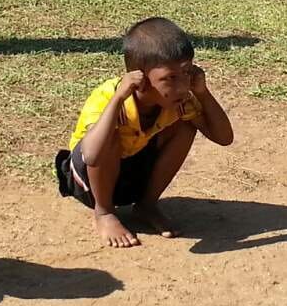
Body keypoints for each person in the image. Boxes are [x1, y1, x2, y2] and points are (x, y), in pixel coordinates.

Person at [55, 18, 234, 248]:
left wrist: (203, 92)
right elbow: (91, 155)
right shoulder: (110, 97)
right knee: (109, 132)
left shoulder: (179, 102)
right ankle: (104, 213)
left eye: (187, 72)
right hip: (88, 183)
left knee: (187, 124)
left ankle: (147, 204)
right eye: (170, 78)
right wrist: (119, 99)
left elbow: (224, 138)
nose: (182, 86)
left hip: (133, 176)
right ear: (140, 79)